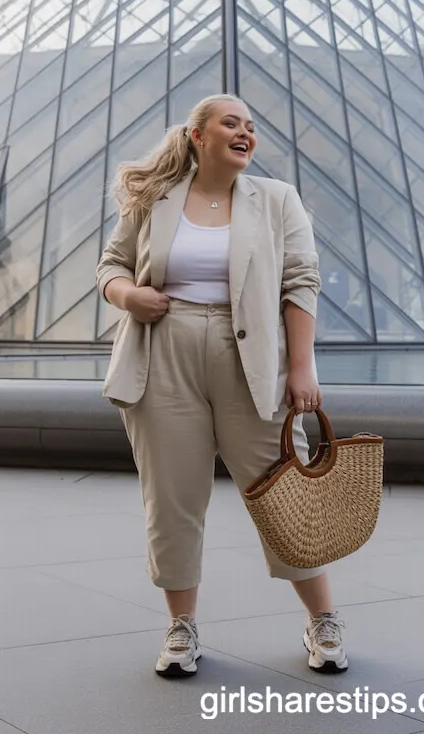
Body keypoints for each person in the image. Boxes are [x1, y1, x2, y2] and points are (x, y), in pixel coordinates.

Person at [96, 93, 347, 678]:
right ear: (198, 136)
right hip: (163, 354)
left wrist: (302, 367)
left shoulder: (277, 199)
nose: (245, 133)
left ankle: (323, 620)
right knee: (172, 501)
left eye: (250, 126)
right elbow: (111, 264)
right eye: (231, 123)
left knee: (286, 495)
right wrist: (129, 296)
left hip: (251, 360)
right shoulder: (155, 198)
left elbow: (301, 280)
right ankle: (181, 628)